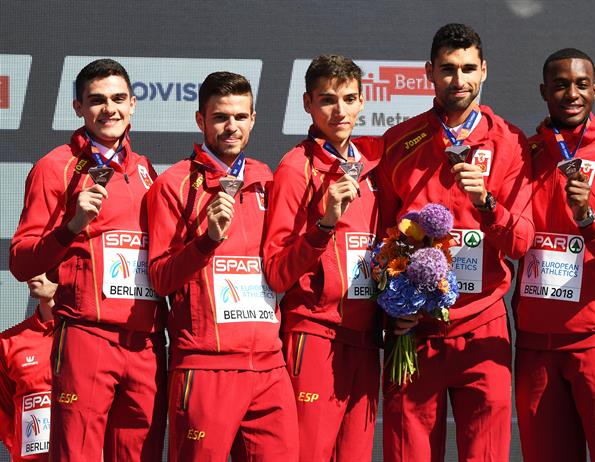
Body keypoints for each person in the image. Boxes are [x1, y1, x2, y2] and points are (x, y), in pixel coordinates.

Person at [377, 23, 534, 462]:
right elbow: (378, 241)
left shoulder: (513, 144)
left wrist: (486, 202)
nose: (458, 80)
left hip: (483, 327)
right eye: (447, 69)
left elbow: (521, 243)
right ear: (429, 72)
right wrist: (394, 308)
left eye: (468, 69)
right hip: (415, 331)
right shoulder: (398, 143)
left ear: (484, 71)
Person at [9, 58, 167, 461]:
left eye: (117, 98)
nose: (108, 109)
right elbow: (21, 262)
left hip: (146, 343)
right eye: (96, 100)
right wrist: (72, 225)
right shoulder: (55, 167)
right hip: (86, 336)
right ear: (77, 107)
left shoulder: (148, 171)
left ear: (133, 104)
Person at [147, 71, 298, 461]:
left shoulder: (267, 178)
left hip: (269, 366)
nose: (231, 126)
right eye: (220, 117)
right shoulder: (173, 184)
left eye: (240, 116)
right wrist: (207, 240)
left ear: (252, 119)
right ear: (201, 121)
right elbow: (161, 279)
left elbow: (282, 264)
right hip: (205, 366)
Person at [513, 48, 595, 461]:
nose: (571, 93)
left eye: (580, 84)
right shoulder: (524, 156)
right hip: (536, 346)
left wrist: (590, 220)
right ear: (543, 91)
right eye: (560, 84)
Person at [264, 54, 382, 462]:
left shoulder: (372, 168)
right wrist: (324, 224)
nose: (340, 111)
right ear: (307, 104)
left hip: (366, 340)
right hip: (314, 334)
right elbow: (276, 273)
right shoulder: (295, 169)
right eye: (327, 100)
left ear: (364, 101)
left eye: (349, 99)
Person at [0, 274, 57, 461]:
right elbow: (5, 413)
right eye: (31, 266)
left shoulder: (95, 337)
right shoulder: (8, 342)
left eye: (44, 266)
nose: (33, 273)